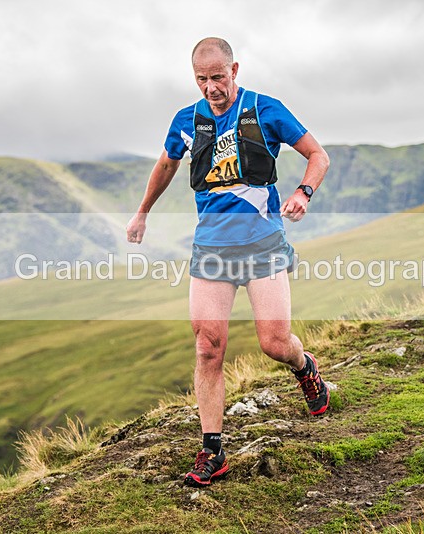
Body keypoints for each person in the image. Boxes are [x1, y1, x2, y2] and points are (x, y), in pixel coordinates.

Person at [126, 37, 330, 488]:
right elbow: (165, 166)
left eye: (217, 77)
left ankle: (305, 367)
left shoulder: (266, 109)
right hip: (212, 251)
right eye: (201, 79)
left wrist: (303, 192)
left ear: (234, 70)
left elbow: (318, 155)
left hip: (263, 246)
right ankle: (213, 449)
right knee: (207, 345)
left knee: (275, 343)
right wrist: (143, 211)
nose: (210, 88)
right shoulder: (187, 121)